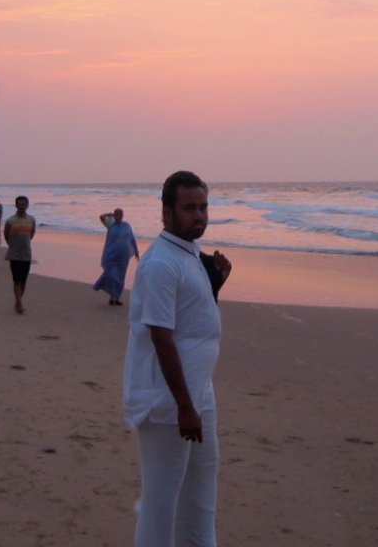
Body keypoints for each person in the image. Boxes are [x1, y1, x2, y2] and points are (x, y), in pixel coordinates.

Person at [123, 170, 232, 547]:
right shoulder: (160, 264)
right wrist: (184, 406)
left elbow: (192, 322)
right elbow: (161, 336)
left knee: (201, 493)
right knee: (161, 502)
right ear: (167, 212)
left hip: (199, 393)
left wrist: (215, 285)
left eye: (203, 207)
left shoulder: (192, 255)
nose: (199, 215)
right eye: (189, 208)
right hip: (168, 401)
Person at [93, 208, 140, 305]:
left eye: (120, 215)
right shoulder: (110, 225)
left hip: (123, 257)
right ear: (114, 216)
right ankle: (110, 294)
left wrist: (136, 251)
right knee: (111, 275)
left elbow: (131, 238)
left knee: (120, 278)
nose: (119, 217)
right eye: (117, 215)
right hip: (111, 256)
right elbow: (101, 217)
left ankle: (116, 298)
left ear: (123, 215)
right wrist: (109, 214)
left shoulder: (126, 226)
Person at [3, 196, 36, 315]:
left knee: (23, 280)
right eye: (20, 204)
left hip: (26, 254)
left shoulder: (31, 219)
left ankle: (18, 300)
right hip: (14, 254)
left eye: (24, 204)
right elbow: (6, 235)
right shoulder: (10, 220)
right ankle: (19, 302)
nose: (22, 206)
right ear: (16, 205)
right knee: (16, 280)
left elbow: (31, 235)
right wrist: (13, 246)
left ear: (27, 205)